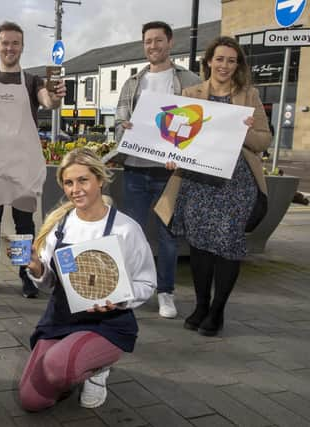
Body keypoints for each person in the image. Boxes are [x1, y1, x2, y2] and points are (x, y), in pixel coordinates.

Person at [18, 148, 156, 411]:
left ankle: (96, 370)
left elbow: (147, 283)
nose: (75, 189)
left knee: (57, 367)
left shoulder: (125, 229)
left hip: (105, 323)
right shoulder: (58, 227)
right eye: (68, 182)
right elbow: (49, 285)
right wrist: (36, 269)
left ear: (100, 180)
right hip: (60, 319)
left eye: (83, 180)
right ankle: (72, 365)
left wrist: (120, 300)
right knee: (31, 401)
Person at [155, 36, 271, 336]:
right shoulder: (190, 93)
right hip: (197, 181)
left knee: (228, 244)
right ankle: (201, 305)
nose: (225, 65)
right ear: (208, 61)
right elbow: (178, 136)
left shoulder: (250, 95)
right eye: (219, 59)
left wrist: (244, 132)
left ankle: (217, 311)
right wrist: (171, 156)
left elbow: (264, 140)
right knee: (200, 245)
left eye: (232, 60)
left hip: (236, 184)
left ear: (238, 65)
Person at [0, 21, 66, 298]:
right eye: (5, 42)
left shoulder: (33, 82)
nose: (9, 47)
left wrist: (55, 97)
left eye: (15, 43)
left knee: (24, 226)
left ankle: (26, 275)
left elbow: (49, 101)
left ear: (22, 47)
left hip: (23, 166)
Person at [115, 21, 201, 319]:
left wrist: (182, 154)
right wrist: (123, 130)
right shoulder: (132, 82)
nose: (153, 46)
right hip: (135, 170)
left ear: (170, 42)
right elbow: (119, 122)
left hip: (170, 174)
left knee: (167, 236)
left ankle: (165, 293)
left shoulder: (189, 80)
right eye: (148, 42)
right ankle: (133, 289)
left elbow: (199, 122)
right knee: (132, 233)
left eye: (158, 41)